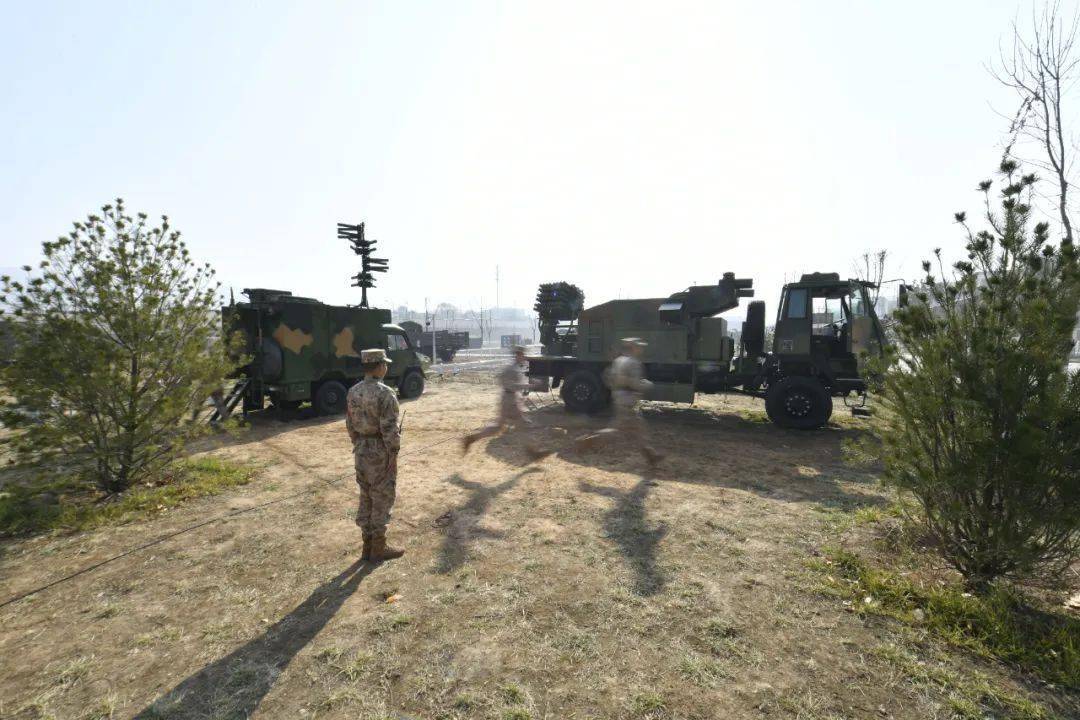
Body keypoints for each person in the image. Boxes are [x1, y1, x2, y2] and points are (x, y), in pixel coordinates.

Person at [345, 348, 404, 562]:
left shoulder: (353, 391)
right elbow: (389, 428)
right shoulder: (385, 393)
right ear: (379, 366)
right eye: (385, 363)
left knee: (366, 495)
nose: (386, 367)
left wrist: (360, 443)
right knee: (382, 496)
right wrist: (394, 453)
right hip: (380, 451)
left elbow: (350, 424)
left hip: (361, 449)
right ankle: (378, 547)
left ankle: (367, 545)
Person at [576, 338, 664, 466]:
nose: (641, 349)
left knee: (638, 429)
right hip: (628, 400)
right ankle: (587, 441)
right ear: (633, 348)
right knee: (618, 430)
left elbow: (609, 378)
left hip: (620, 398)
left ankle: (651, 455)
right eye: (639, 346)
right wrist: (647, 385)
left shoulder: (619, 360)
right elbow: (635, 383)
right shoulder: (633, 363)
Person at [462, 345, 550, 460]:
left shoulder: (513, 368)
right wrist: (530, 385)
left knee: (498, 427)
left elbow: (503, 380)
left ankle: (471, 438)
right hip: (510, 400)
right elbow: (511, 385)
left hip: (508, 399)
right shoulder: (512, 369)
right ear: (518, 355)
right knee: (523, 424)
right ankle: (532, 452)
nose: (524, 357)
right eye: (523, 355)